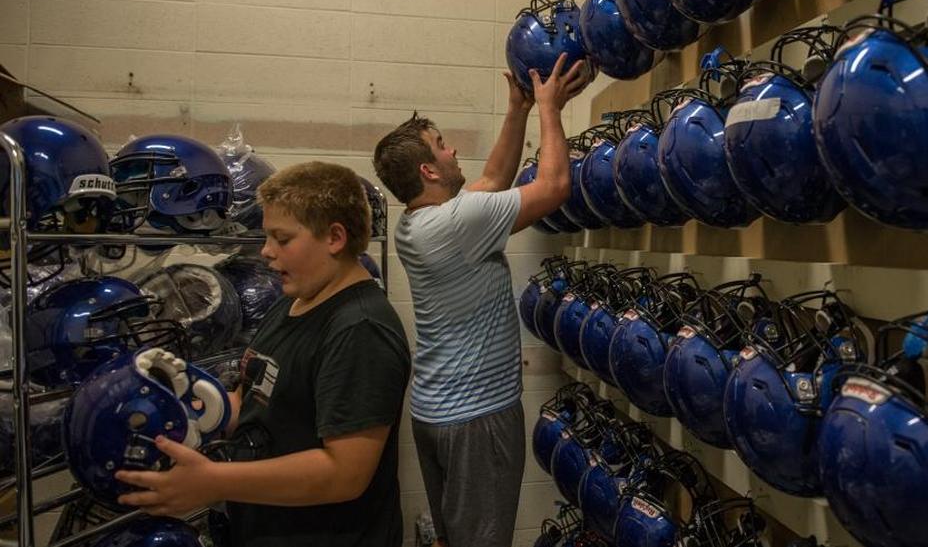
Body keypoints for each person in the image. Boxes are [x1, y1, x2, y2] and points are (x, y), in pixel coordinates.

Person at [115, 161, 411, 547]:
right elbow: (252, 399)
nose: (267, 252)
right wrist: (188, 407)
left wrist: (213, 482)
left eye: (282, 239)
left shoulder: (361, 329)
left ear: (335, 237)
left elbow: (344, 474)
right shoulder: (294, 303)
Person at [372, 53, 589, 547]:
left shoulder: (417, 222)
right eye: (442, 146)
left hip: (436, 413)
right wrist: (550, 109)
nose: (452, 152)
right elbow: (554, 186)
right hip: (476, 419)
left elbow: (491, 182)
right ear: (428, 169)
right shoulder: (456, 223)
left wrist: (518, 109)